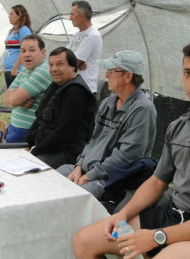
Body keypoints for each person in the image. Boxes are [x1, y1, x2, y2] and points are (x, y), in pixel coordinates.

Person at [72, 40, 190, 259]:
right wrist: (122, 215)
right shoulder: (179, 126)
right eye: (187, 73)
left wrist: (156, 236)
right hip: (174, 215)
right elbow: (157, 181)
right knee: (84, 241)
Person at [57, 50, 157, 199]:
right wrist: (79, 165)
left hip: (114, 179)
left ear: (128, 76)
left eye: (111, 71)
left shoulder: (142, 110)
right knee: (52, 178)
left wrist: (88, 176)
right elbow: (93, 140)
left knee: (74, 197)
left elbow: (125, 158)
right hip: (90, 170)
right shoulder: (108, 102)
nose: (106, 75)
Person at [25, 47, 97, 169]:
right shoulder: (56, 85)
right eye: (51, 65)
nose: (54, 69)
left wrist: (35, 152)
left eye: (60, 64)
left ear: (72, 66)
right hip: (49, 149)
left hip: (67, 154)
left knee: (28, 166)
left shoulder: (76, 92)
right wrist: (26, 143)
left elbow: (64, 132)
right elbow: (39, 119)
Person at [2, 34, 52, 142]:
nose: (26, 54)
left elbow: (14, 100)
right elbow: (5, 99)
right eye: (23, 51)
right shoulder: (25, 70)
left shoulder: (43, 71)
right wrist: (19, 101)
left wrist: (16, 99)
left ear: (43, 53)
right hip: (15, 129)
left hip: (28, 133)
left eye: (32, 50)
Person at [67, 0, 103, 95]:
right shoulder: (77, 34)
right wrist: (73, 61)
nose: (70, 18)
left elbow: (74, 63)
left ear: (82, 16)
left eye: (72, 14)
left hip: (85, 89)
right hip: (75, 86)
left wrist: (75, 61)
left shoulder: (92, 35)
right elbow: (64, 56)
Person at [2, 4, 33, 87]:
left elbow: (25, 50)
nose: (9, 16)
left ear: (19, 16)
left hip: (18, 71)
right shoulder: (12, 31)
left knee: (16, 97)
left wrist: (15, 67)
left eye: (12, 14)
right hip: (9, 70)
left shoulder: (24, 30)